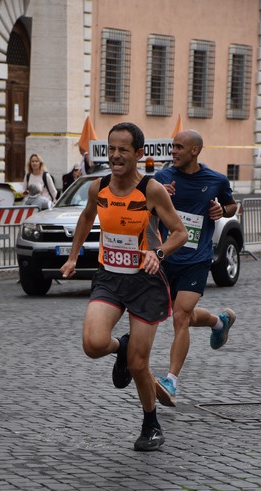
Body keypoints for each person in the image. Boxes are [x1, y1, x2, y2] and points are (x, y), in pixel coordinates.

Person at [60, 122, 188, 452]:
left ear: (138, 154)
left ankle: (151, 424)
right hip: (110, 276)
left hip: (146, 283)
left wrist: (157, 254)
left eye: (123, 150)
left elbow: (180, 232)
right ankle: (122, 346)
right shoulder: (98, 187)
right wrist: (74, 257)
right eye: (111, 149)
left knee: (138, 364)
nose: (115, 156)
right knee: (92, 343)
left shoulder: (151, 190)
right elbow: (87, 218)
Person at [153, 129, 238, 405]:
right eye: (172, 147)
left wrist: (221, 211)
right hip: (165, 257)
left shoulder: (216, 179)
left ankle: (171, 382)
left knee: (180, 316)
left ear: (195, 150)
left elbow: (231, 205)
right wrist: (158, 198)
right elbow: (145, 208)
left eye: (178, 147)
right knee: (183, 317)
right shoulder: (162, 177)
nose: (173, 152)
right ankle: (218, 321)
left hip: (196, 260)